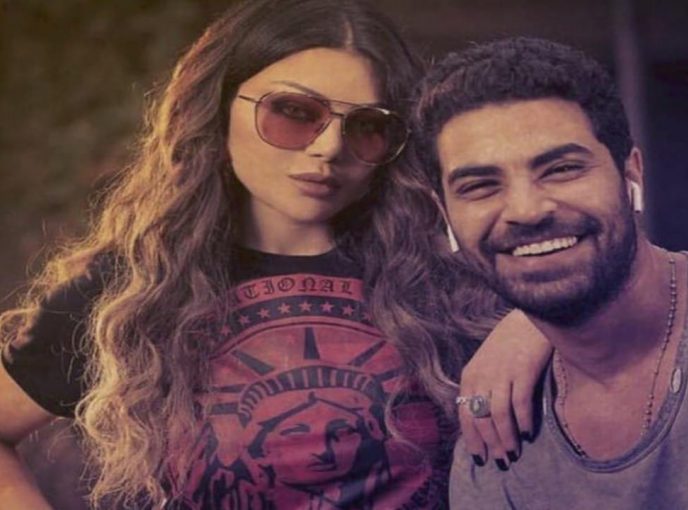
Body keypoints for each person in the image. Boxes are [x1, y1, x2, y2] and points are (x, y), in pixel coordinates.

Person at [0, 2, 543, 508]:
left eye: (367, 126)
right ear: (218, 108)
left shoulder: (446, 278)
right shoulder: (134, 290)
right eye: (293, 111)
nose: (328, 148)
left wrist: (537, 326)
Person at [410, 37, 688, 509]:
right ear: (445, 214)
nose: (526, 210)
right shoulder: (492, 449)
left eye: (561, 169)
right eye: (480, 186)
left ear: (632, 174)